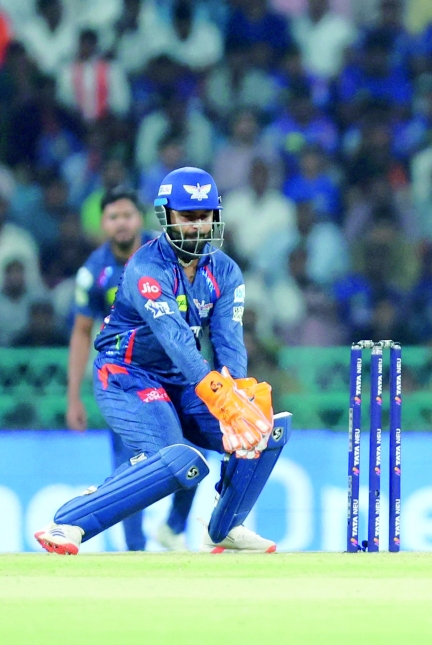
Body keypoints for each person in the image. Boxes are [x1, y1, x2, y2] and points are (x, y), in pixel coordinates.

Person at [36, 168, 286, 555]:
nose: (198, 226)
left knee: (262, 429)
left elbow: (228, 341)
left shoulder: (225, 271)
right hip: (125, 375)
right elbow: (176, 340)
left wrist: (236, 393)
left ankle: (224, 527)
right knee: (175, 462)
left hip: (179, 382)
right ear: (167, 217)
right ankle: (70, 521)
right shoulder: (145, 268)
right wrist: (220, 397)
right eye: (187, 217)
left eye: (205, 216)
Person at [66, 189, 197, 551]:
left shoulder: (166, 256)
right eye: (113, 216)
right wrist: (73, 395)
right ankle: (135, 553)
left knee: (189, 449)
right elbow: (80, 333)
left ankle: (173, 527)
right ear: (103, 224)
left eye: (127, 215)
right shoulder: (94, 272)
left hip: (172, 375)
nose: (121, 223)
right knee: (133, 465)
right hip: (126, 380)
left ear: (140, 220)